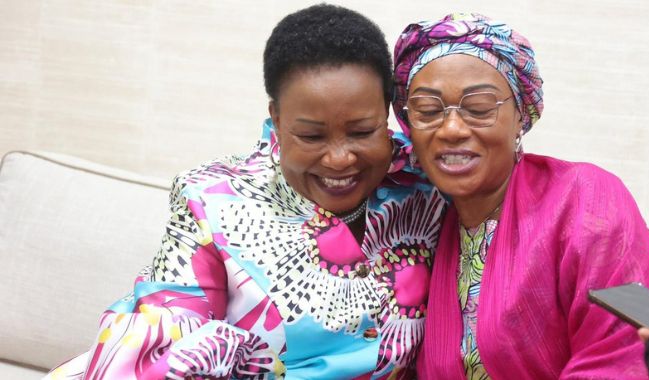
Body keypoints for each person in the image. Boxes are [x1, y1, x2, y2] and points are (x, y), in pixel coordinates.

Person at [46, 4, 446, 379]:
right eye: (311, 135)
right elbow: (168, 322)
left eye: (362, 132)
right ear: (276, 117)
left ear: (389, 112)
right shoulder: (210, 199)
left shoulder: (428, 182)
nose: (340, 159)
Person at [391, 12, 649, 379]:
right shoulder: (427, 226)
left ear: (520, 117)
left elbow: (628, 352)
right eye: (428, 111)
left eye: (479, 108)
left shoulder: (586, 201)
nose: (451, 128)